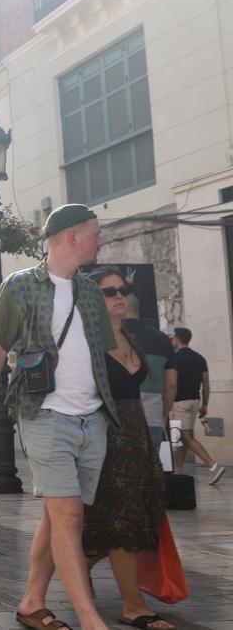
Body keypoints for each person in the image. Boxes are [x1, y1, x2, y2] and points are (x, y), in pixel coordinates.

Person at [0, 204, 116, 630]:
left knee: (60, 516)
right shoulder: (19, 287)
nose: (99, 240)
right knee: (68, 514)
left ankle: (32, 601)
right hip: (44, 413)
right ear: (72, 237)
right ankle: (90, 618)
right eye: (95, 233)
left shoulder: (90, 292)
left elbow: (104, 352)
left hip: (92, 418)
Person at [83, 268, 170, 630]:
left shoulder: (130, 337)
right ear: (92, 299)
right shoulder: (87, 343)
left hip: (136, 437)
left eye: (124, 289)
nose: (120, 295)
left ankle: (81, 563)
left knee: (140, 517)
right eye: (109, 291)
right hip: (108, 438)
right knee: (123, 523)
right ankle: (133, 606)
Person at [166, 328, 224, 484]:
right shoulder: (200, 358)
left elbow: (172, 384)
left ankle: (213, 466)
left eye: (173, 338)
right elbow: (206, 384)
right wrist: (205, 404)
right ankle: (177, 472)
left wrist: (167, 404)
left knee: (184, 437)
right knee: (180, 438)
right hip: (195, 401)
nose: (173, 340)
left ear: (178, 339)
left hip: (179, 403)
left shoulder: (174, 358)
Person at [120, 293, 174, 450]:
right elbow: (172, 384)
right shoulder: (163, 339)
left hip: (119, 418)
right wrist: (164, 415)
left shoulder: (113, 336)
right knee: (150, 469)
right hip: (153, 416)